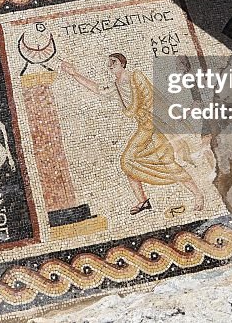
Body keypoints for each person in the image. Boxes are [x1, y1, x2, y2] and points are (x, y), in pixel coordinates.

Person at [60, 53, 205, 215]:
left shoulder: (136, 78)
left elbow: (151, 99)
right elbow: (97, 88)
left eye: (113, 62)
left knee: (146, 161)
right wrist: (74, 73)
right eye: (108, 63)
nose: (109, 65)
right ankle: (143, 200)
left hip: (153, 126)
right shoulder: (116, 87)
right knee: (136, 162)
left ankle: (197, 194)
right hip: (145, 127)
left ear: (122, 63)